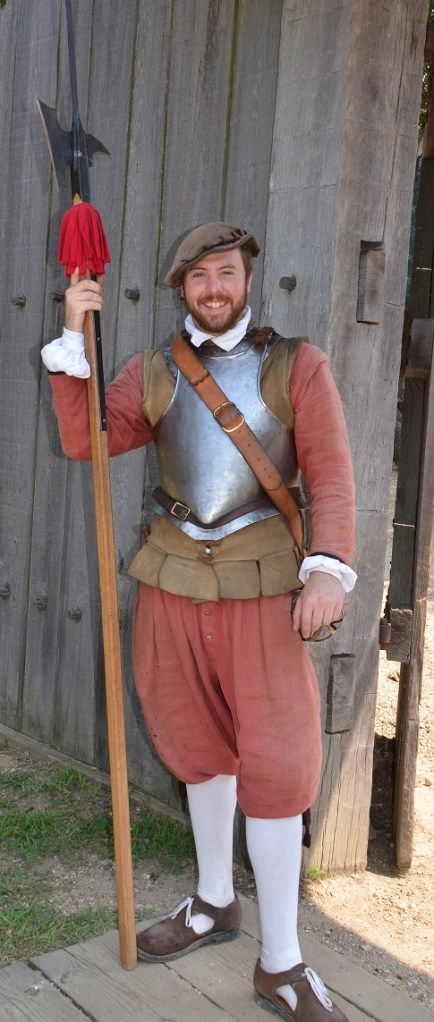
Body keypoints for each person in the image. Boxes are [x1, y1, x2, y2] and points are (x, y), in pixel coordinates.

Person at [42, 222, 356, 1021]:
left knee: (278, 766)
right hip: (172, 582)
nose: (214, 288)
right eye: (199, 277)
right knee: (197, 746)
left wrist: (327, 568)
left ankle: (281, 961)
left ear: (247, 280)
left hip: (262, 591)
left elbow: (330, 473)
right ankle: (215, 901)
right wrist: (73, 332)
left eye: (226, 273)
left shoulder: (297, 365)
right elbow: (84, 440)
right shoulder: (153, 370)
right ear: (181, 287)